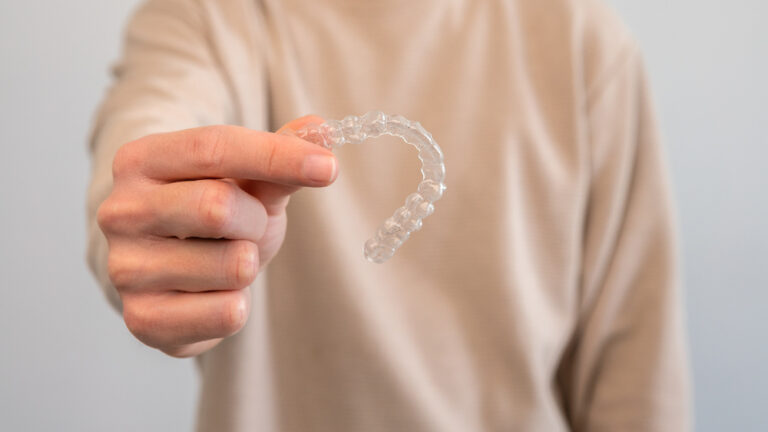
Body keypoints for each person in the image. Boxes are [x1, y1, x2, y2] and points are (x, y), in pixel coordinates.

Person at [86, 0, 691, 430]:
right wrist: (168, 233)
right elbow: (148, 136)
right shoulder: (204, 19)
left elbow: (639, 388)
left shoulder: (583, 44)